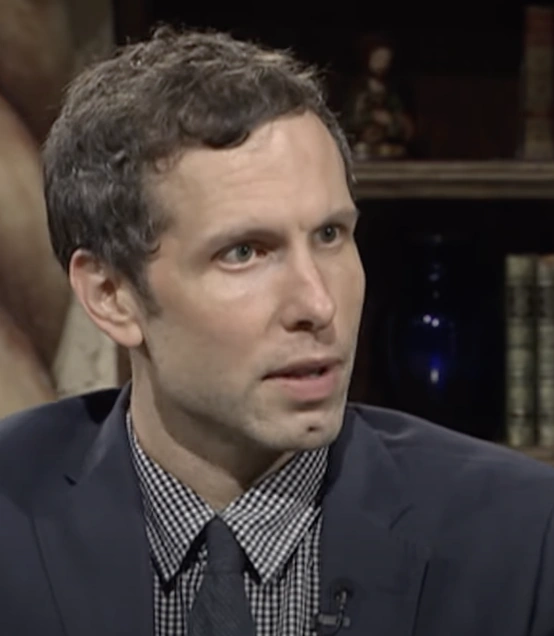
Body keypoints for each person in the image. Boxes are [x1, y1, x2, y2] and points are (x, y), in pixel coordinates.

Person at [0, 25, 553, 636]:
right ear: (111, 295)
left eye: (330, 235)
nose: (318, 304)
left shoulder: (523, 535)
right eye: (244, 252)